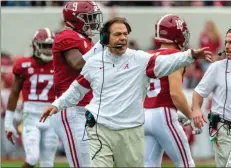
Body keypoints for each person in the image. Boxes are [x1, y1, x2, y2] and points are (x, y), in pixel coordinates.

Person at [40, 17, 212, 167]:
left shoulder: (140, 58)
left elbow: (167, 61)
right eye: (117, 34)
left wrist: (191, 55)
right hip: (100, 129)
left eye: (125, 34)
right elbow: (77, 89)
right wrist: (57, 105)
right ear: (105, 38)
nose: (122, 38)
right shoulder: (93, 63)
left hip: (131, 129)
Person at [50, 1, 103, 167]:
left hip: (85, 109)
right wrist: (102, 46)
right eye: (89, 17)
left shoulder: (85, 39)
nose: (94, 21)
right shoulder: (67, 36)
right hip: (71, 109)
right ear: (75, 19)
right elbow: (77, 64)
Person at [192, 27, 231, 167]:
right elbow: (199, 92)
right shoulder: (216, 68)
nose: (227, 46)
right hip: (225, 133)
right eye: (226, 42)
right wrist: (196, 109)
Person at [143, 14, 195, 167]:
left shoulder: (147, 56)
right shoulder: (176, 56)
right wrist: (191, 116)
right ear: (176, 34)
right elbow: (175, 93)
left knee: (149, 164)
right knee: (186, 164)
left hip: (144, 114)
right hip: (164, 115)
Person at [4, 28, 59, 168]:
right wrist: (8, 122)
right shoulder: (23, 64)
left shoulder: (59, 65)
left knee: (48, 163)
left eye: (50, 46)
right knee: (33, 158)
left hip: (52, 117)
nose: (47, 50)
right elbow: (14, 93)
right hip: (31, 117)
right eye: (44, 46)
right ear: (35, 45)